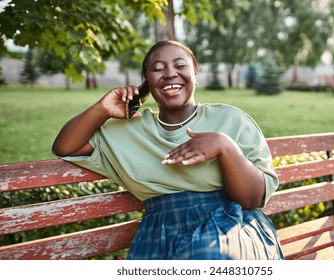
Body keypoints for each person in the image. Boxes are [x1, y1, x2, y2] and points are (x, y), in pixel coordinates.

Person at [52, 40, 284, 260]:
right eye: (157, 68)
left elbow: (253, 198)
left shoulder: (231, 119)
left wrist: (225, 147)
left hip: (232, 225)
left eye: (180, 65)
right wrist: (102, 109)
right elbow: (66, 146)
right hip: (160, 233)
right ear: (147, 82)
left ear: (195, 73)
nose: (170, 73)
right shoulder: (128, 131)